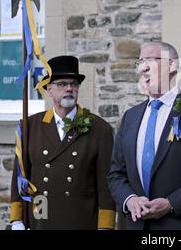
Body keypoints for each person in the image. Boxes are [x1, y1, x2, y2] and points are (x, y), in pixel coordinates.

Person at [107, 41, 181, 230]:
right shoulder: (130, 117)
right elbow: (116, 174)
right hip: (138, 225)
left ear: (171, 65)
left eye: (150, 60)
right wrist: (130, 200)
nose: (142, 69)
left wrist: (171, 203)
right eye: (139, 63)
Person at [10, 55, 116, 230]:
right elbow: (20, 176)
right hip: (40, 215)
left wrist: (105, 225)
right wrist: (17, 219)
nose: (69, 88)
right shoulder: (30, 126)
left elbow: (106, 184)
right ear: (49, 89)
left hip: (80, 219)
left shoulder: (99, 128)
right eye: (62, 84)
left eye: (74, 84)